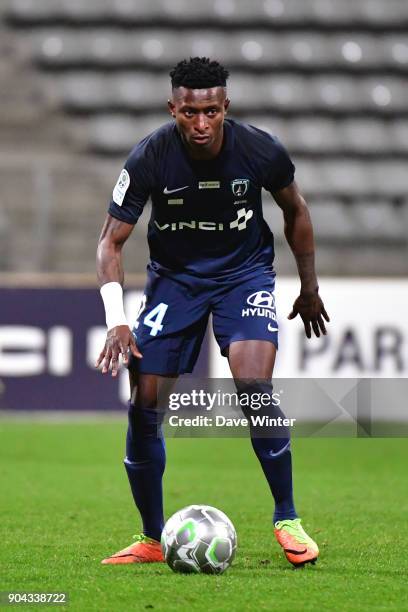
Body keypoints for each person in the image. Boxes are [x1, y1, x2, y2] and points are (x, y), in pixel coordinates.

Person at [96, 57, 329, 567]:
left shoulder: (260, 149)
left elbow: (297, 211)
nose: (200, 125)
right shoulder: (149, 158)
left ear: (225, 106)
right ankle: (153, 539)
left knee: (253, 386)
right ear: (172, 108)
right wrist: (117, 318)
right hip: (174, 284)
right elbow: (110, 243)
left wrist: (308, 287)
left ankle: (287, 518)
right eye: (188, 113)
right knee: (145, 404)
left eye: (210, 112)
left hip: (242, 276)